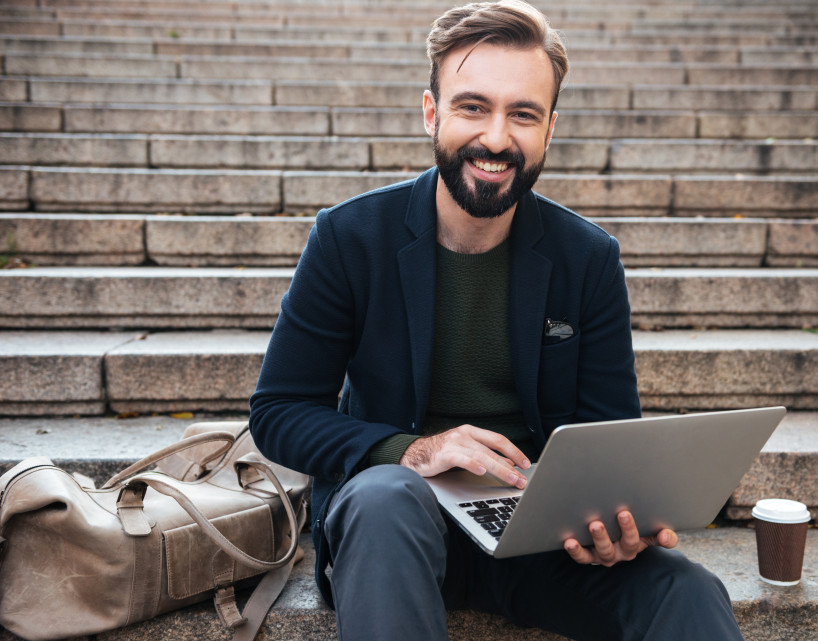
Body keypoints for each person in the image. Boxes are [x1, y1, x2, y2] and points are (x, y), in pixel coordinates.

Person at [249, 1, 744, 639]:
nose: (496, 138)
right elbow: (279, 410)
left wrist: (616, 522)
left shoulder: (588, 259)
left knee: (688, 589)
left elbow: (607, 434)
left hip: (540, 539)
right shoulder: (348, 237)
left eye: (523, 114)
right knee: (383, 495)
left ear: (549, 129)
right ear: (432, 112)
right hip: (391, 531)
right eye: (472, 106)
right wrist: (411, 450)